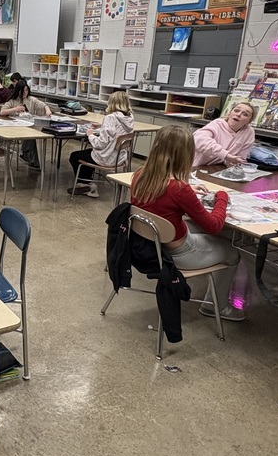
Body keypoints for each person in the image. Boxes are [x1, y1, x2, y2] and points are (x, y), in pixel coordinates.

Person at [130, 125, 247, 321]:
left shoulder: (140, 174)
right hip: (179, 254)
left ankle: (215, 298)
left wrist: (189, 190)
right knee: (232, 251)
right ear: (185, 154)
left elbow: (163, 197)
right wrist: (222, 198)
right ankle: (216, 306)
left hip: (152, 246)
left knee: (222, 234)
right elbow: (214, 226)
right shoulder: (179, 189)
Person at [68, 90, 135, 198]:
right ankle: (88, 184)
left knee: (75, 156)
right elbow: (116, 130)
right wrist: (101, 126)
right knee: (88, 153)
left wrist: (90, 135)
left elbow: (100, 144)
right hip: (119, 158)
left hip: (106, 158)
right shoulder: (129, 118)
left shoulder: (110, 118)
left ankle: (86, 184)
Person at [0, 81, 51, 169]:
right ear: (18, 91)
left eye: (26, 90)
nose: (25, 92)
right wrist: (15, 109)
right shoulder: (13, 101)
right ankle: (27, 155)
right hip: (15, 127)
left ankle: (30, 157)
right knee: (30, 134)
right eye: (23, 91)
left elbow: (43, 105)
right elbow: (2, 112)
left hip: (28, 125)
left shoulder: (31, 100)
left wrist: (47, 110)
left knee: (33, 133)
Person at [191, 101, 257, 167]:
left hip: (220, 168)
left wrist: (234, 162)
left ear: (249, 121)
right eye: (236, 110)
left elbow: (238, 160)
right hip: (197, 167)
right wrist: (225, 155)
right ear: (229, 113)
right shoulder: (217, 124)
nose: (238, 114)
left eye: (245, 114)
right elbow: (197, 139)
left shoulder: (249, 132)